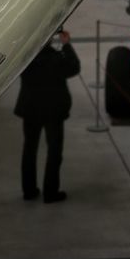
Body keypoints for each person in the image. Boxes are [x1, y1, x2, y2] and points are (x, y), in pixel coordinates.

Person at [15, 30, 80, 204]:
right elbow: (74, 67)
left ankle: (29, 190)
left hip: (30, 110)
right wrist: (67, 45)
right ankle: (50, 192)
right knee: (54, 151)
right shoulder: (57, 59)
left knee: (29, 149)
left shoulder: (26, 59)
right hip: (53, 111)